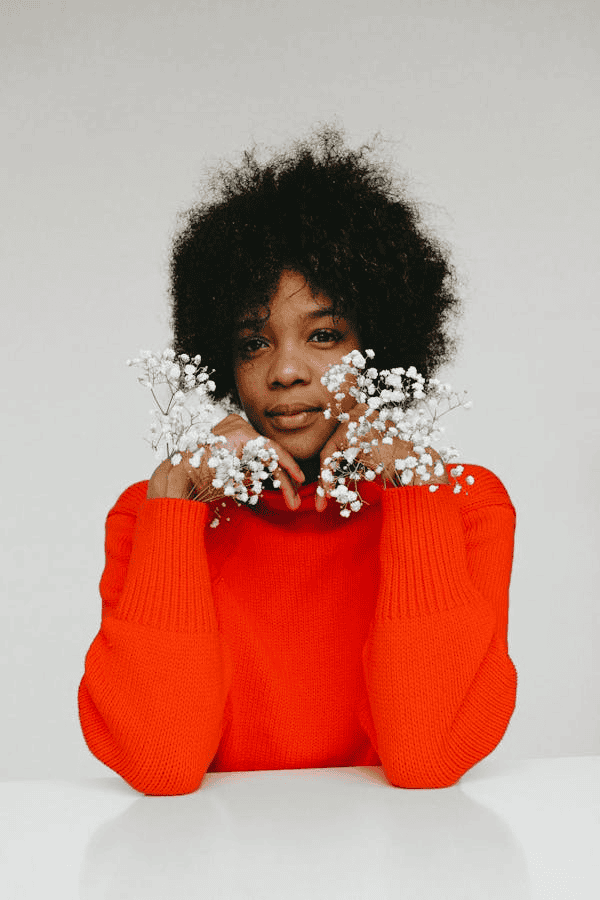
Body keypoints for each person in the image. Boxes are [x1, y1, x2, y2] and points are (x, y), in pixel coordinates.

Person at [78, 128, 517, 796]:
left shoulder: (460, 504)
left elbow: (425, 756)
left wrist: (414, 492)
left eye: (323, 335)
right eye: (253, 342)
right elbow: (161, 765)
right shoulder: (153, 515)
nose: (285, 370)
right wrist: (174, 510)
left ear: (382, 343)